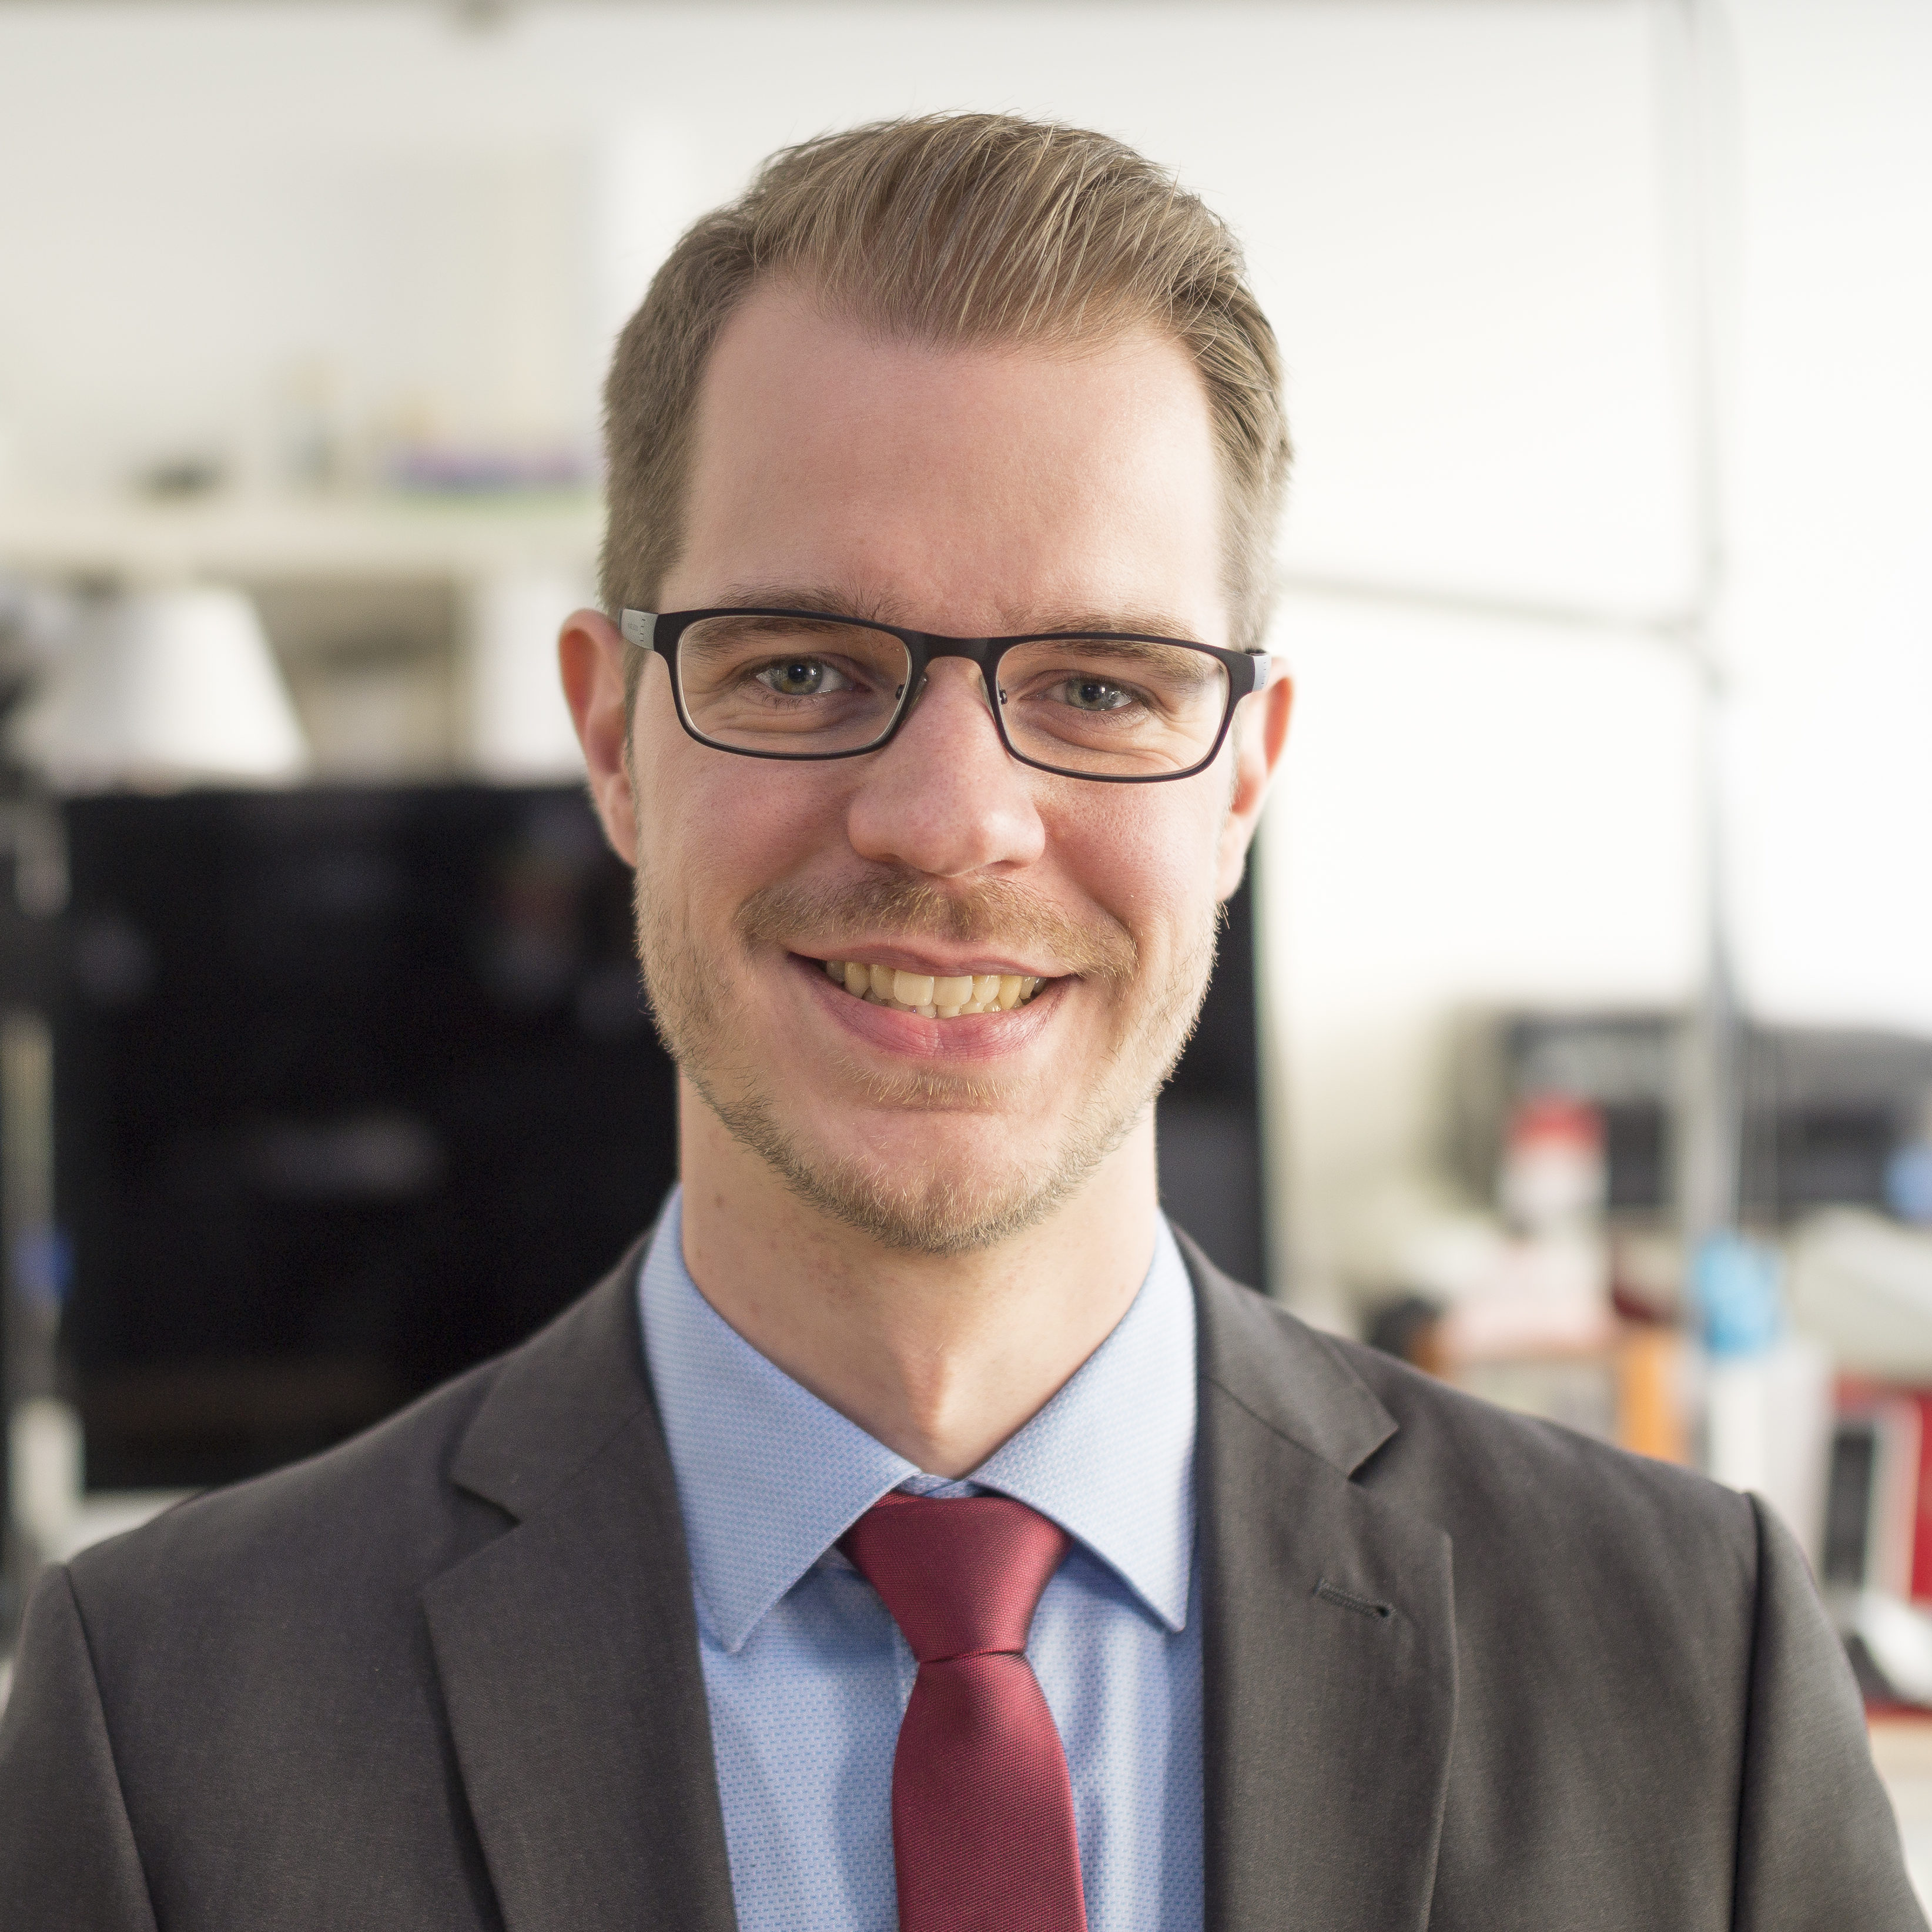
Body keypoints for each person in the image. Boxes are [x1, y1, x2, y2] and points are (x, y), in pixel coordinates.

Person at [0, 113, 1918, 1932]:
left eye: (1100, 685)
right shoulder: (167, 1716)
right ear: (613, 737)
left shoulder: (1699, 1658)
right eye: (803, 668)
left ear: (1244, 778)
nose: (947, 820)